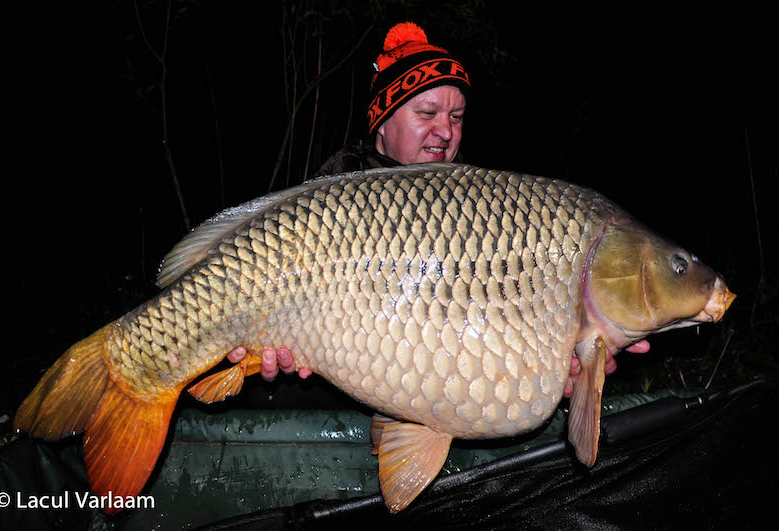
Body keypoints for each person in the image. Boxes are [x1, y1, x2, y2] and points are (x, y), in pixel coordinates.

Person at [230, 22, 647, 397]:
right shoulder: (324, 206)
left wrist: (568, 367)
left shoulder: (487, 212)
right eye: (426, 113)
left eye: (457, 116)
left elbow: (488, 339)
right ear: (382, 120)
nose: (446, 131)